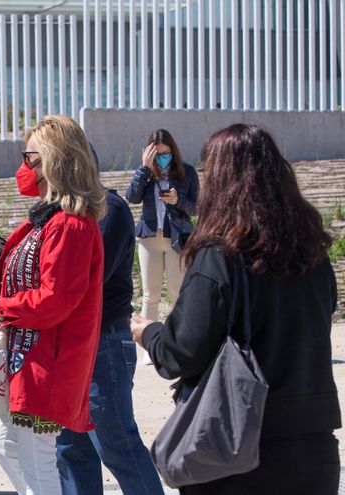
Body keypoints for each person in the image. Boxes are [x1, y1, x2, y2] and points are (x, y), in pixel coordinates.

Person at [132, 124, 341, 494]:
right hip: (313, 444)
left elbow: (181, 351)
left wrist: (147, 332)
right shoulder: (313, 254)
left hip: (238, 445)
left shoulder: (220, 256)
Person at [0, 115, 106, 495]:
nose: (23, 168)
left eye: (30, 158)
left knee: (36, 458)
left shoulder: (70, 225)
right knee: (6, 446)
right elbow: (11, 276)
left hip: (48, 361)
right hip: (30, 357)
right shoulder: (50, 221)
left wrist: (1, 309)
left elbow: (54, 299)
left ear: (54, 161)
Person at [54, 184, 165, 495]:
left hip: (102, 341)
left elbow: (87, 279)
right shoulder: (58, 212)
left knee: (117, 445)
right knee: (71, 448)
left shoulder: (109, 208)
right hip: (66, 343)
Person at [125, 129, 199, 325]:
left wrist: (177, 200)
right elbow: (132, 197)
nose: (162, 158)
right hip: (150, 239)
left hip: (177, 239)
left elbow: (196, 208)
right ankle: (148, 349)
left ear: (173, 151)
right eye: (157, 155)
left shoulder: (187, 172)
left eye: (166, 154)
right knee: (151, 295)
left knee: (177, 294)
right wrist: (144, 168)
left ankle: (178, 345)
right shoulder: (146, 173)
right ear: (149, 153)